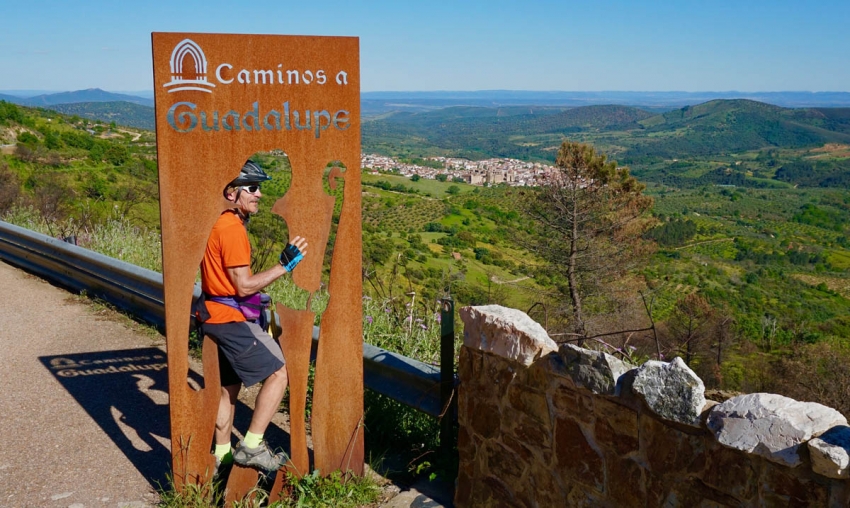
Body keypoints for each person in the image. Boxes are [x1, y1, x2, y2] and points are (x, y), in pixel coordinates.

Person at [197, 159, 307, 475]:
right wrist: (284, 266)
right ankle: (252, 445)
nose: (259, 194)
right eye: (253, 188)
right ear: (231, 192)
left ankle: (221, 457)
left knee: (227, 390)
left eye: (259, 188)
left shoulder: (219, 222)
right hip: (228, 317)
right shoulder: (231, 229)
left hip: (212, 313)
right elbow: (243, 286)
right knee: (279, 374)